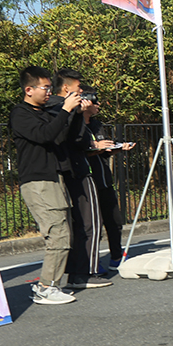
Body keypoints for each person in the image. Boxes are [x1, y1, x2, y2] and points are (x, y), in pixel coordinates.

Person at [9, 67, 80, 304]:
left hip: (54, 178)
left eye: (50, 88)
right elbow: (44, 135)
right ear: (29, 90)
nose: (49, 92)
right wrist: (65, 109)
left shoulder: (47, 112)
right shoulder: (20, 113)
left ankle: (51, 285)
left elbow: (61, 136)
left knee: (63, 234)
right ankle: (46, 287)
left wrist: (73, 112)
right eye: (45, 88)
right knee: (57, 234)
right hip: (38, 181)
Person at [48, 69, 112, 289]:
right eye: (78, 88)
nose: (82, 92)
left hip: (65, 171)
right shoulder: (60, 109)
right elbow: (76, 140)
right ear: (66, 88)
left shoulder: (52, 109)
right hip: (77, 171)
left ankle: (76, 273)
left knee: (75, 225)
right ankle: (85, 272)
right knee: (89, 223)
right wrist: (77, 114)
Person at [81, 84, 134, 271]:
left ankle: (116, 256)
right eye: (95, 100)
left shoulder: (97, 125)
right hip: (88, 182)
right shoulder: (75, 126)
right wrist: (95, 147)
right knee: (92, 225)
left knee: (114, 221)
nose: (98, 104)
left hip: (104, 180)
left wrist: (117, 148)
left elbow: (103, 150)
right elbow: (78, 150)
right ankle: (92, 263)